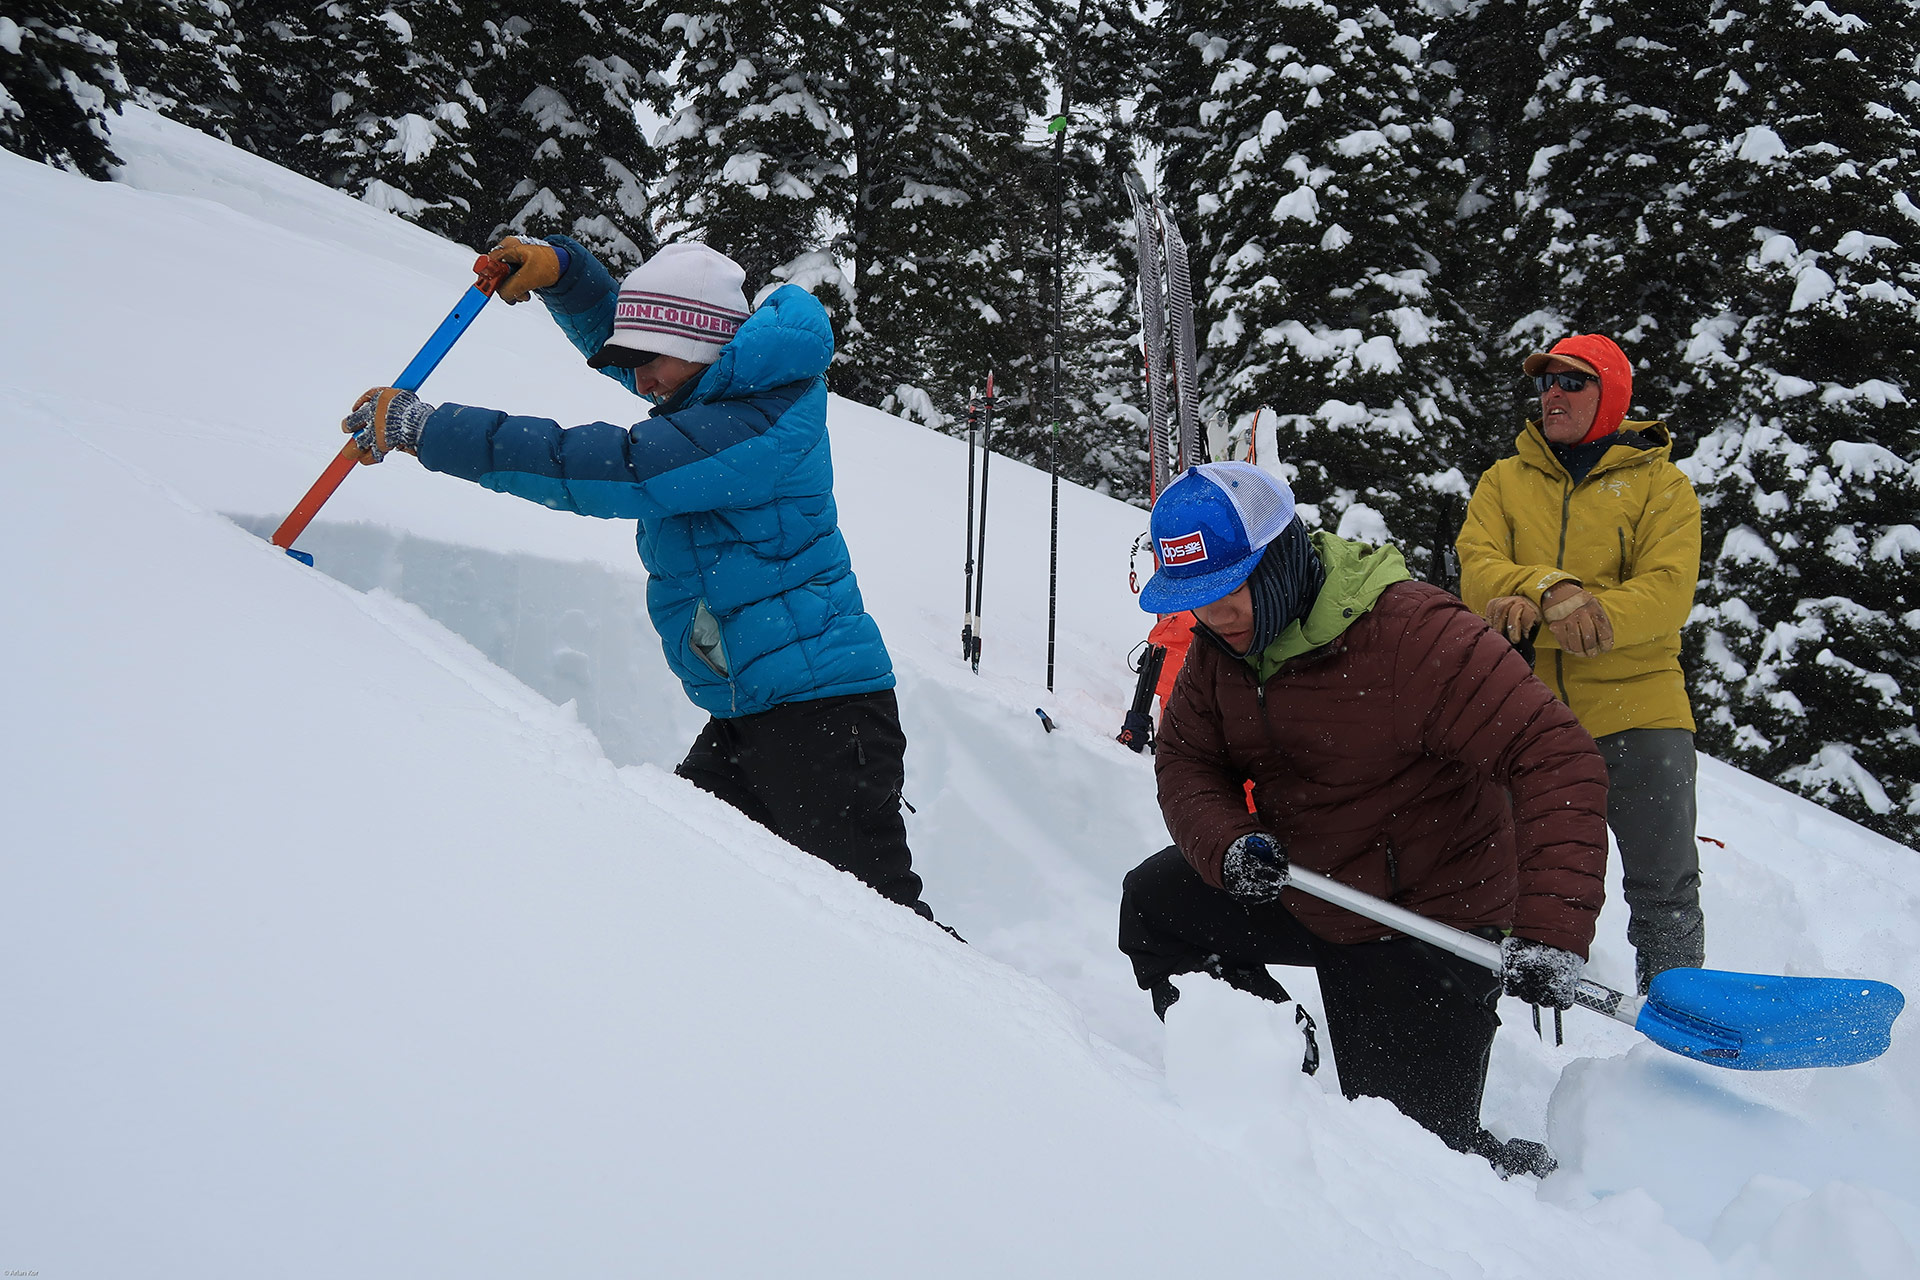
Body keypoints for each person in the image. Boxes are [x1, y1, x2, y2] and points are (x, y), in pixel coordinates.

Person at [339, 233, 937, 921]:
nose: (640, 383)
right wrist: (565, 275)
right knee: (695, 878)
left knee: (886, 922)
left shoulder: (750, 427)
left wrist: (430, 430)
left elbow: (598, 465)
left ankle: (997, 1029)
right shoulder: (721, 384)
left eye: (647, 364)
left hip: (824, 722)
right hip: (758, 714)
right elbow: (636, 344)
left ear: (702, 345)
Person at [1117, 461, 1609, 1176]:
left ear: (1280, 559)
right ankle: (1270, 1049)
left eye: (1229, 590)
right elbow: (1188, 763)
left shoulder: (1414, 635)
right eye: (1196, 597)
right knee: (1157, 905)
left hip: (1425, 921)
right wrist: (1229, 846)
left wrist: (1551, 930)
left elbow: (1555, 754)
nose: (1212, 615)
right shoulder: (1223, 652)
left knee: (1418, 1164)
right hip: (1311, 882)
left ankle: (1504, 1169)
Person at [1456, 334, 1705, 994]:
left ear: (1613, 396)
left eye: (1573, 381)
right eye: (1547, 383)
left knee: (1665, 884)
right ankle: (1497, 1021)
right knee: (1498, 872)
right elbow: (1479, 574)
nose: (1554, 394)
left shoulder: (1662, 486)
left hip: (1640, 709)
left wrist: (1582, 613)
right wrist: (1553, 590)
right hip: (1526, 714)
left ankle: (1677, 1010)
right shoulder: (1504, 481)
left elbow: (1668, 589)